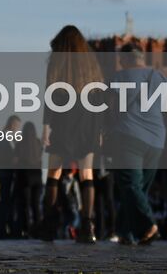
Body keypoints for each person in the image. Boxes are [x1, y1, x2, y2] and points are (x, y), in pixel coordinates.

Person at [106, 43, 167, 246]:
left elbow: (111, 112)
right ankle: (125, 233)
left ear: (127, 58)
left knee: (131, 186)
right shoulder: (160, 77)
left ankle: (148, 225)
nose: (120, 63)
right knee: (135, 189)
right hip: (156, 143)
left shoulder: (119, 78)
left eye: (121, 59)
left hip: (128, 139)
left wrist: (105, 134)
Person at [40, 25, 104, 242]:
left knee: (54, 173)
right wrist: (100, 128)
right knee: (87, 174)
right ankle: (87, 225)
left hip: (63, 118)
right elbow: (99, 96)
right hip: (88, 119)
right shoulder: (91, 64)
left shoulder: (57, 62)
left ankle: (48, 224)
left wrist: (46, 126)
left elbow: (50, 96)